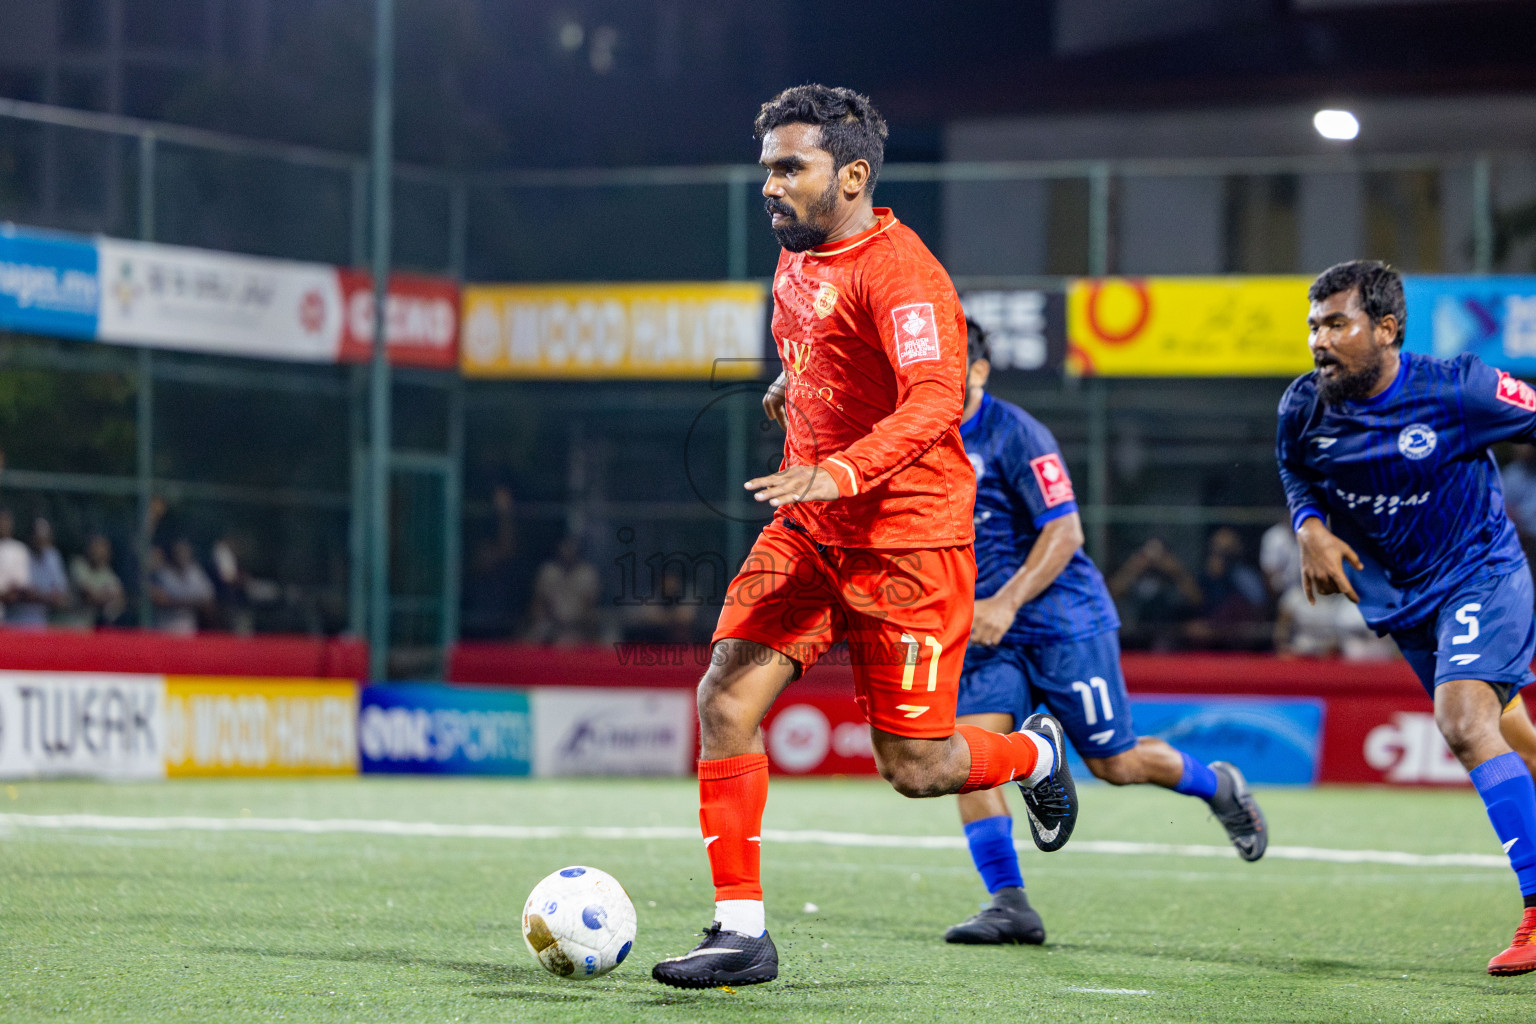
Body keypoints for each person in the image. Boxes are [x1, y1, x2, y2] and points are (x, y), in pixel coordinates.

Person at [651, 85, 1078, 990]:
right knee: (724, 697)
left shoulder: (904, 271)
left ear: (851, 175)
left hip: (908, 542)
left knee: (918, 768)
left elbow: (932, 398)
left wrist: (840, 467)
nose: (769, 186)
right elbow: (822, 352)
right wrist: (790, 390)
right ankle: (741, 933)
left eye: (789, 168)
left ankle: (1034, 753)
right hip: (810, 524)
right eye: (766, 167)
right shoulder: (797, 254)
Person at [942, 319, 1267, 945]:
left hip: (1062, 622)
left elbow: (1065, 533)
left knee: (1115, 763)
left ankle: (1219, 786)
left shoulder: (1015, 433)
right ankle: (1009, 904)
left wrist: (1005, 602)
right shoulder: (920, 434)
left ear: (979, 371)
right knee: (967, 757)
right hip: (986, 633)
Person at [1278, 259, 1536, 976]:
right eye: (1314, 326)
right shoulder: (1303, 406)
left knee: (1462, 722)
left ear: (1386, 329)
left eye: (1337, 324)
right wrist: (1308, 526)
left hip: (1481, 573)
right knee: (1508, 730)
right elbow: (1296, 467)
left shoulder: (1459, 387)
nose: (1319, 341)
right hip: (1405, 599)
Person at [1106, 536, 1202, 650]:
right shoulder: (1134, 573)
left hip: (1172, 636)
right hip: (1135, 635)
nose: (1154, 559)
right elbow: (1111, 595)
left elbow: (1197, 599)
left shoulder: (1174, 575)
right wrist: (1134, 568)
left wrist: (1175, 572)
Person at [525, 533, 601, 646]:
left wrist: (587, 626)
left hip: (579, 625)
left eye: (572, 547)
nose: (568, 550)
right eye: (565, 546)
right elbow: (538, 603)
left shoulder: (587, 573)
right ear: (559, 547)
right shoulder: (548, 571)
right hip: (552, 624)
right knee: (531, 638)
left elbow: (591, 605)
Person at [9, 517, 71, 628]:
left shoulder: (53, 557)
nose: (41, 541)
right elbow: (18, 593)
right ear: (30, 537)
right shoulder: (18, 554)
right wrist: (47, 597)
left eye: (44, 537)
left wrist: (39, 596)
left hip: (42, 625)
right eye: (38, 537)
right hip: (15, 623)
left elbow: (63, 597)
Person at [149, 538, 215, 635]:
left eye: (184, 551)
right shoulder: (162, 574)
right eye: (178, 551)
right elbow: (160, 600)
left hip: (189, 630)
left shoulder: (195, 572)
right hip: (164, 630)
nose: (181, 554)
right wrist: (192, 602)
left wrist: (177, 601)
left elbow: (208, 600)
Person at [71, 533, 126, 627]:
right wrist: (107, 597)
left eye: (102, 549)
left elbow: (120, 601)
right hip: (74, 623)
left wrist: (101, 597)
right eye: (95, 547)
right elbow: (88, 597)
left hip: (98, 626)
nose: (98, 551)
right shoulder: (79, 564)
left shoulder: (108, 573)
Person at [0, 508, 31, 624]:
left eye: (6, 522)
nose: (3, 525)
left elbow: (19, 587)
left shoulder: (19, 549)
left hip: (12, 617)